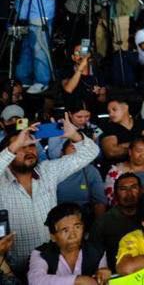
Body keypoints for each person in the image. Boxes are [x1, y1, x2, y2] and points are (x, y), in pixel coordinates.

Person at [0, 115, 99, 272]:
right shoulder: (2, 180)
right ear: (9, 153)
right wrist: (14, 145)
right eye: (21, 146)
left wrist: (74, 135)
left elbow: (90, 153)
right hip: (13, 268)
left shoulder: (48, 170)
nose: (28, 150)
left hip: (51, 264)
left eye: (31, 145)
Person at [12, 0, 60, 92]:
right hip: (24, 15)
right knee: (26, 48)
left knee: (39, 49)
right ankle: (24, 79)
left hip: (40, 16)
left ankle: (42, 81)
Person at [27, 203, 112, 285]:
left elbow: (102, 277)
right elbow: (35, 280)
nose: (73, 235)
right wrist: (78, 280)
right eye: (65, 230)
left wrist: (103, 273)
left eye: (77, 227)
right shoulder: (41, 253)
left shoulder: (97, 251)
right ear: (53, 237)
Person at [92, 173, 143, 267]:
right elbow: (95, 256)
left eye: (134, 187)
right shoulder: (104, 222)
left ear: (141, 191)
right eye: (123, 189)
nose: (129, 193)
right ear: (115, 194)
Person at [54, 138, 107, 226]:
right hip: (58, 219)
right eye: (72, 147)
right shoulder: (53, 170)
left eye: (80, 147)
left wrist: (97, 228)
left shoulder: (90, 171)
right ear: (62, 153)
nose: (77, 149)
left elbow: (99, 203)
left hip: (84, 219)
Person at [99, 97, 144, 165]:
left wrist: (122, 146)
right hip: (120, 167)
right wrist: (139, 145)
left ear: (125, 108)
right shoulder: (107, 128)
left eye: (114, 110)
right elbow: (111, 152)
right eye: (109, 112)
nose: (111, 114)